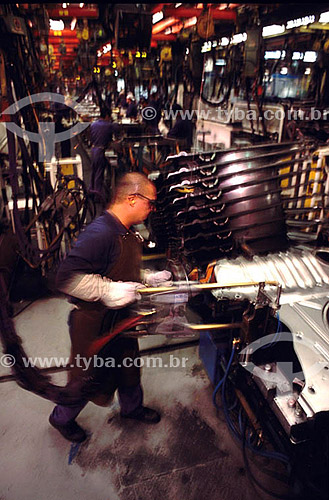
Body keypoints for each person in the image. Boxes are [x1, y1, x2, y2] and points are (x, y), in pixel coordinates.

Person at [49, 173, 171, 443]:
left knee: (128, 367)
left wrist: (147, 279)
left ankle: (132, 409)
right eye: (150, 203)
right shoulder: (100, 233)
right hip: (93, 323)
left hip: (121, 320)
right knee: (86, 379)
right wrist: (105, 290)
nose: (152, 209)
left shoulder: (127, 232)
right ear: (131, 199)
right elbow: (64, 278)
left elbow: (120, 267)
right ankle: (60, 418)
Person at [89, 109, 120, 196]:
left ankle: (90, 191)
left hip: (93, 149)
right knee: (99, 173)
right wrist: (114, 120)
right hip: (100, 151)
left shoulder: (93, 124)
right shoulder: (108, 125)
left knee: (93, 171)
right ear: (107, 116)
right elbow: (117, 128)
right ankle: (97, 195)